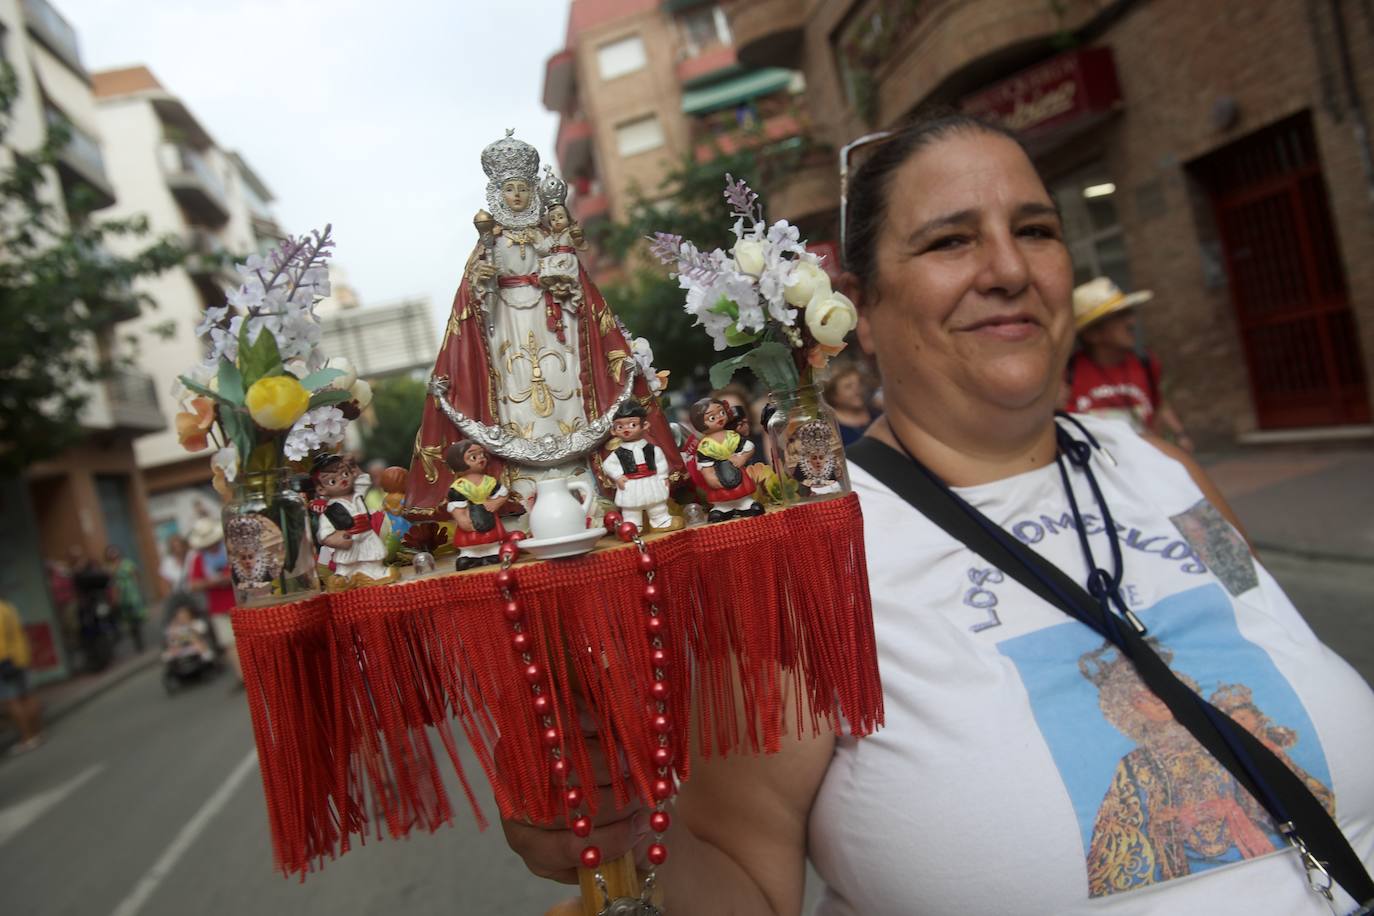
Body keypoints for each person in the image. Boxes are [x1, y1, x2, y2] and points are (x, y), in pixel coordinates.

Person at [502, 114, 1374, 914]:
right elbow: (730, 855)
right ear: (861, 309)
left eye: (1035, 230)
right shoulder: (806, 554)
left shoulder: (1160, 467)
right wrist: (624, 838)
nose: (1008, 270)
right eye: (950, 241)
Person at [401, 130, 681, 526]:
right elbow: (472, 295)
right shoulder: (489, 240)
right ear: (498, 192)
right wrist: (482, 278)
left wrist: (560, 280)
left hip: (556, 324)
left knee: (564, 382)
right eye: (509, 189)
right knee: (515, 392)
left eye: (522, 188)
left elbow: (575, 279)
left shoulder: (547, 234)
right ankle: (520, 484)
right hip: (505, 327)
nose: (516, 196)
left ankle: (586, 476)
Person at [1066, 276, 1193, 450]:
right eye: (1119, 316)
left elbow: (1158, 405)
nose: (1131, 322)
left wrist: (1179, 435)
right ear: (1092, 334)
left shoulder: (1145, 362)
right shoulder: (1066, 376)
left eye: (1129, 313)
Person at [187, 517, 239, 686]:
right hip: (218, 608)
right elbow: (193, 584)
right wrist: (213, 582)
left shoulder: (231, 549)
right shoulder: (198, 559)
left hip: (239, 602)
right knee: (228, 643)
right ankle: (242, 677)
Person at [0, 598, 43, 754]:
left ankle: (28, 737)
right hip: (21, 656)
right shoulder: (7, 607)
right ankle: (37, 733)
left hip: (6, 660)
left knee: (13, 700)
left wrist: (3, 659)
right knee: (27, 695)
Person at [104, 545, 147, 652]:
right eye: (110, 553)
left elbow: (136, 575)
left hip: (131, 591)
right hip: (120, 593)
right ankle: (135, 636)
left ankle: (139, 638)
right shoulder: (109, 567)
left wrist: (139, 588)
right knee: (128, 618)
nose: (113, 554)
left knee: (136, 615)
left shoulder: (127, 563)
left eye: (114, 551)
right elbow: (111, 582)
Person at [823, 360, 874, 446]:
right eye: (848, 386)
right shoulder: (832, 430)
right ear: (833, 395)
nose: (857, 390)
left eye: (859, 383)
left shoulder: (876, 413)